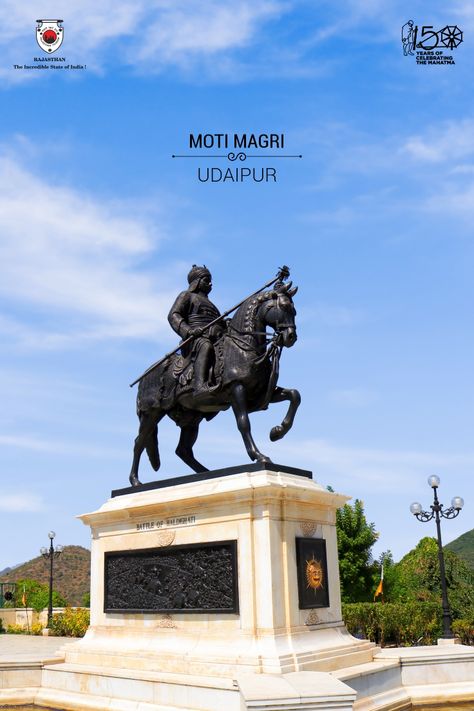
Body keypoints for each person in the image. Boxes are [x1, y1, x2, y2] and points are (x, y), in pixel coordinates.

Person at [168, 265, 223, 395]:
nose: (210, 283)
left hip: (215, 337)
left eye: (210, 280)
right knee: (206, 346)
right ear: (197, 281)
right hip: (195, 339)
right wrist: (189, 331)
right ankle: (199, 386)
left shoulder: (212, 305)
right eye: (206, 280)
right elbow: (173, 315)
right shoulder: (186, 295)